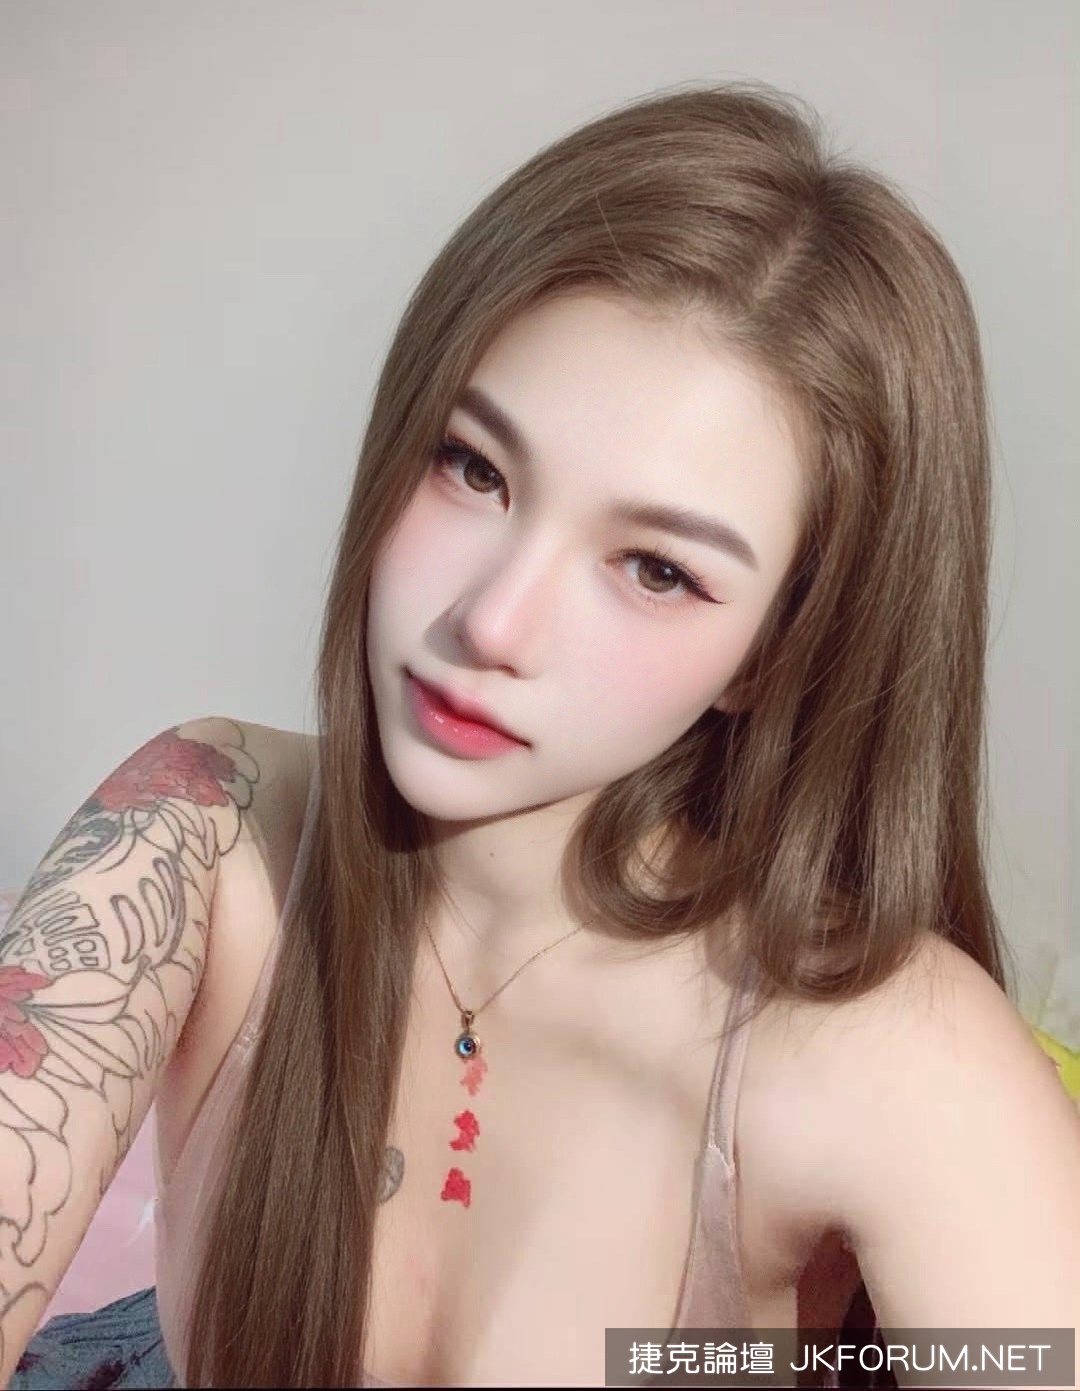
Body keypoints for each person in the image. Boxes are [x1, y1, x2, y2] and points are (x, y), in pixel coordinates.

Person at [4, 81, 1079, 1391]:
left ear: (775, 652)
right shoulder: (200, 826)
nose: (491, 621)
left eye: (657, 569)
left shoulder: (891, 1062)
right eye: (475, 467)